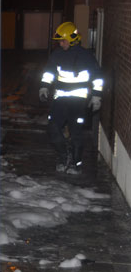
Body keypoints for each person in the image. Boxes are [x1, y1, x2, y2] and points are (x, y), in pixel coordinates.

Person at [39, 21, 104, 175]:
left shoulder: (86, 56)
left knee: (76, 133)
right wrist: (44, 86)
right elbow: (49, 72)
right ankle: (64, 157)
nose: (61, 44)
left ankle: (76, 164)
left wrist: (97, 97)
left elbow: (98, 78)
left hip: (79, 101)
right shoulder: (57, 55)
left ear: (72, 39)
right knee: (53, 128)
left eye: (63, 40)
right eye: (59, 41)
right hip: (60, 100)